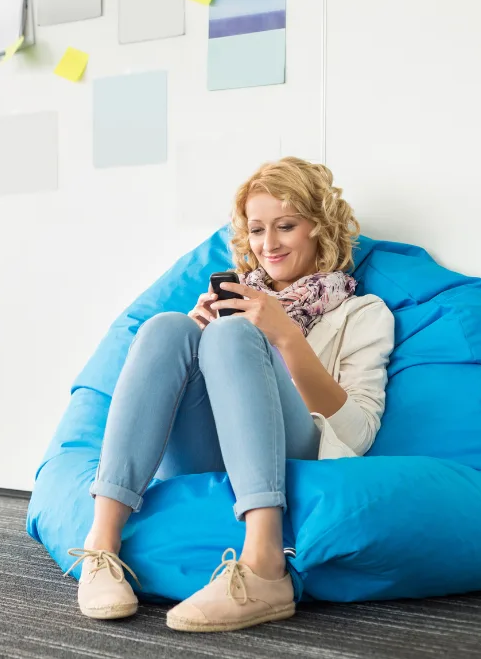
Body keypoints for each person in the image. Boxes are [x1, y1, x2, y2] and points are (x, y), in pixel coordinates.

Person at [65, 157, 395, 632]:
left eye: (286, 226)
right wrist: (197, 345)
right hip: (209, 450)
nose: (269, 244)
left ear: (319, 229)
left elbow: (358, 433)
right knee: (168, 328)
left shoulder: (362, 313)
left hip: (296, 453)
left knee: (233, 336)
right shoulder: (240, 297)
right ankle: (100, 549)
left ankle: (264, 565)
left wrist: (285, 337)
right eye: (257, 230)